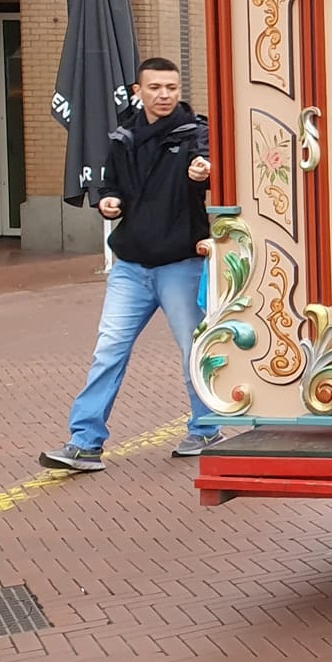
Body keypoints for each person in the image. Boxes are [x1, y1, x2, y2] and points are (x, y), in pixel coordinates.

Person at [41, 58, 221, 471]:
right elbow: (111, 185)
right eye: (155, 87)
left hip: (180, 263)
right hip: (130, 267)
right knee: (109, 351)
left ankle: (207, 427)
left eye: (171, 87)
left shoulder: (196, 134)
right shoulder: (122, 137)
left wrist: (205, 172)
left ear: (179, 90)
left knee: (195, 349)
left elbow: (217, 173)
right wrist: (107, 201)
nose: (164, 95)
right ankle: (85, 442)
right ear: (138, 92)